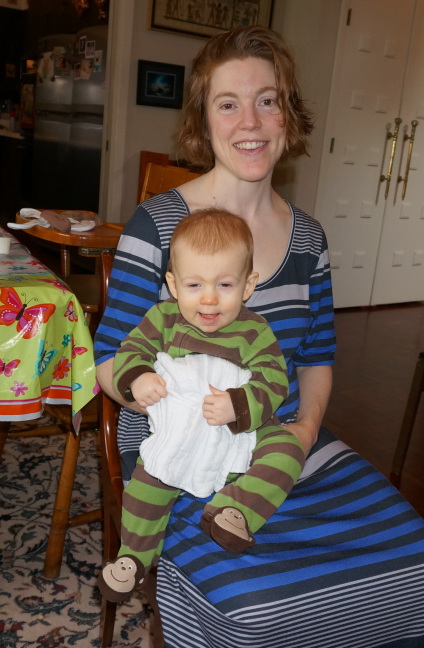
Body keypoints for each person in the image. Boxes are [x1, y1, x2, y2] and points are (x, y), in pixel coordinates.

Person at [95, 25, 424, 648]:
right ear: (204, 120)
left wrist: (302, 432)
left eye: (267, 100)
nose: (250, 120)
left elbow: (318, 359)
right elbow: (109, 359)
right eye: (228, 103)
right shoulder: (157, 224)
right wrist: (161, 395)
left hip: (280, 443)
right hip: (179, 453)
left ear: (287, 114)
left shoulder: (309, 239)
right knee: (257, 609)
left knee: (412, 562)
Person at [97, 209, 305, 603]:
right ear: (173, 285)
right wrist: (138, 377)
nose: (209, 298)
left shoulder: (255, 330)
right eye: (195, 284)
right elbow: (130, 351)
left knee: (289, 449)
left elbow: (274, 379)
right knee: (148, 479)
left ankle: (234, 511)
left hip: (240, 432)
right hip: (180, 431)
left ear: (248, 285)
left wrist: (239, 404)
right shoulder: (163, 319)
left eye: (225, 284)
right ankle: (133, 558)